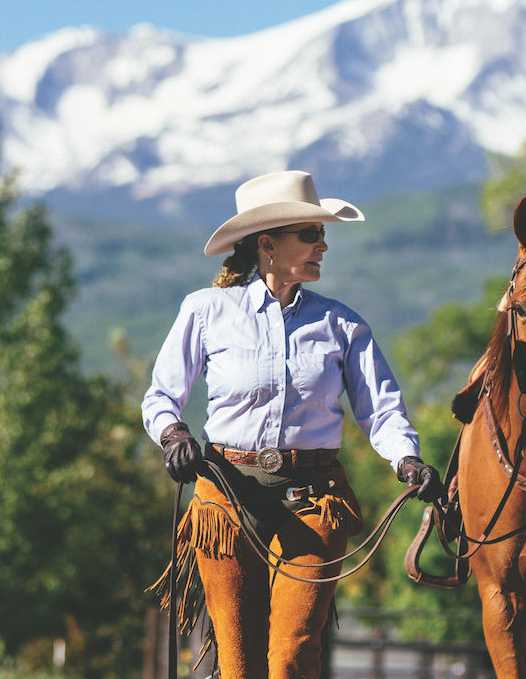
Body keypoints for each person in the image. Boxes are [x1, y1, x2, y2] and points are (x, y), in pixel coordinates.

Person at [142, 170, 443, 679]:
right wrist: (173, 435)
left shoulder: (344, 325)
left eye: (321, 233)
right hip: (226, 500)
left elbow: (381, 408)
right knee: (236, 664)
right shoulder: (205, 311)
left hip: (314, 499)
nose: (323, 244)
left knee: (291, 658)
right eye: (310, 233)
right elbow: (161, 397)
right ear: (267, 245)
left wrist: (406, 458)